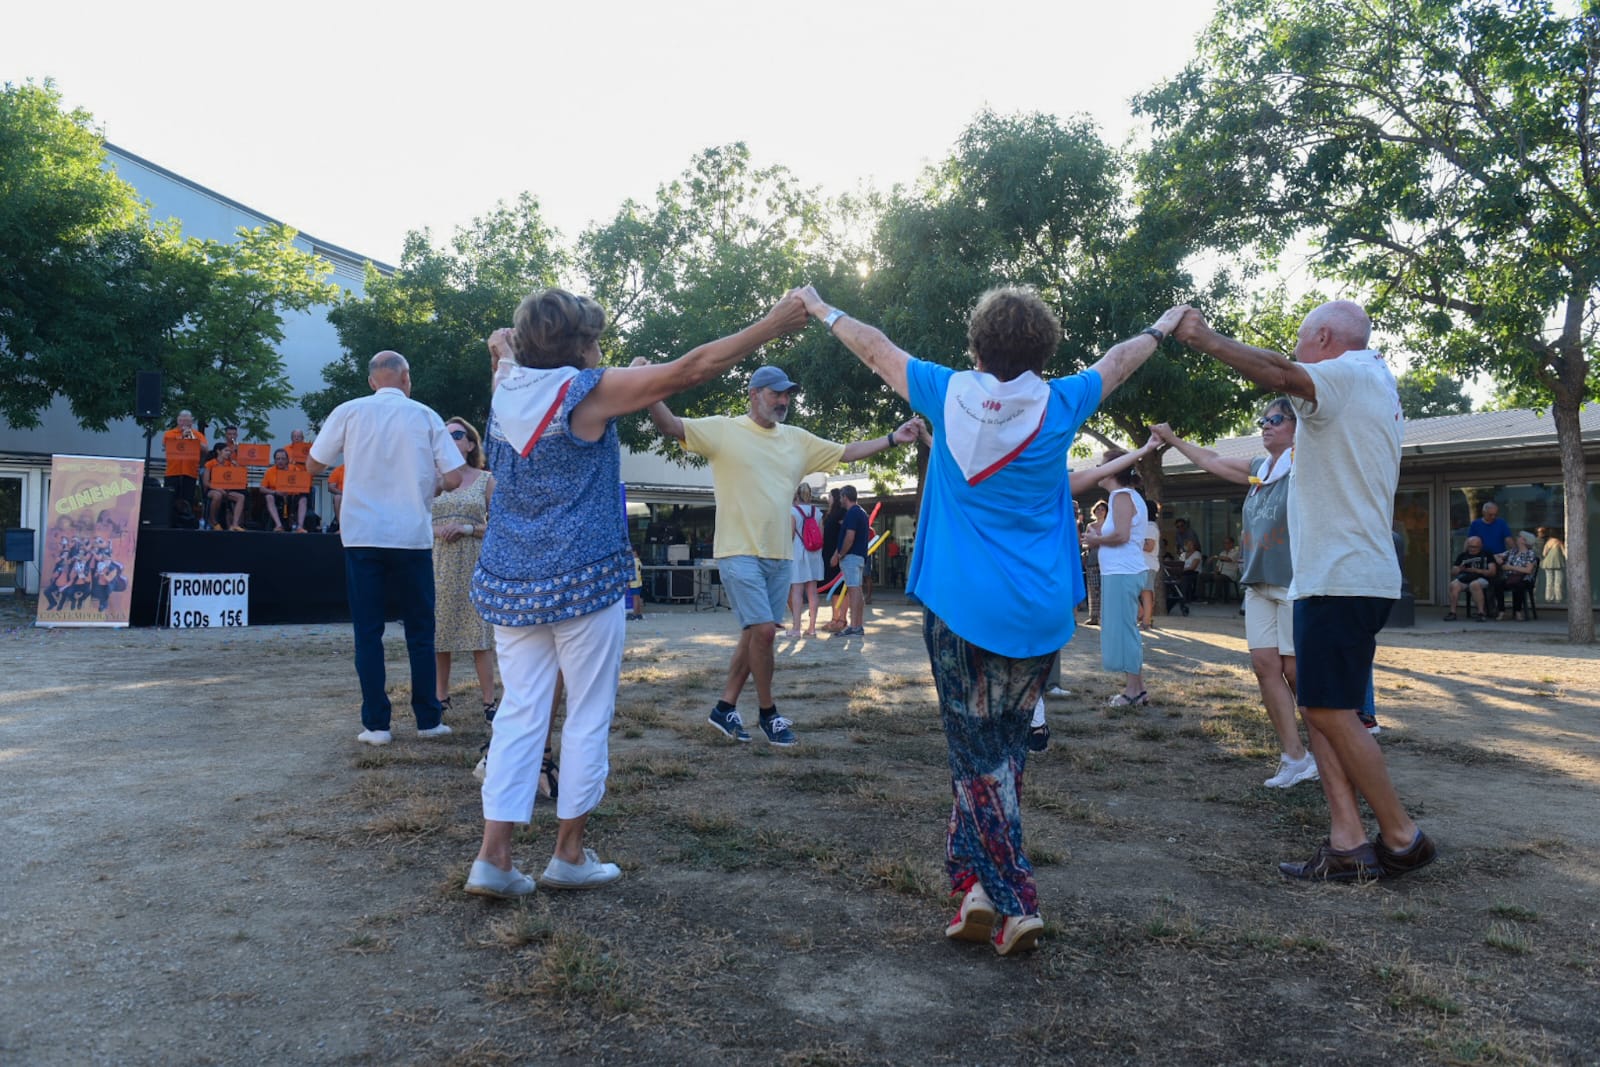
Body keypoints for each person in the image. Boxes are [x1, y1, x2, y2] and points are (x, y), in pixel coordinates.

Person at [796, 281, 1187, 955]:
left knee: (976, 755)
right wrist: (1162, 325)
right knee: (1001, 752)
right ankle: (972, 885)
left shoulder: (945, 392)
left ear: (976, 345)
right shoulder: (1062, 399)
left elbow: (874, 347)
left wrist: (820, 307)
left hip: (961, 606)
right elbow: (1120, 360)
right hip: (1039, 607)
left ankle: (1014, 898)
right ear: (1044, 350)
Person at [460, 287, 808, 900]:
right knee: (587, 712)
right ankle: (569, 854)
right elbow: (692, 369)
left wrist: (504, 349)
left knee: (520, 713)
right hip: (583, 578)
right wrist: (771, 324)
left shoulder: (506, 385)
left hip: (512, 579)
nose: (601, 351)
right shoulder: (585, 392)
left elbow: (506, 354)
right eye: (594, 341)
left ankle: (493, 858)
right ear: (578, 348)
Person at [1175, 299, 1436, 882]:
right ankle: (1348, 841)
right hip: (1340, 574)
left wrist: (1205, 339)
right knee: (1322, 706)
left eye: (1298, 339)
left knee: (1330, 709)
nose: (1294, 352)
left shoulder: (1346, 374)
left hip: (1342, 575)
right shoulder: (1372, 381)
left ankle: (1403, 837)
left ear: (1322, 337)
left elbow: (1280, 373)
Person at [643, 367, 922, 748]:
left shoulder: (797, 440)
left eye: (788, 394)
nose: (783, 400)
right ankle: (768, 712)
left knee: (754, 634)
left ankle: (725, 707)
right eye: (776, 393)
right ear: (754, 394)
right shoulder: (724, 430)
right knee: (763, 632)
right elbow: (671, 426)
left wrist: (892, 438)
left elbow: (846, 452)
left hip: (780, 556)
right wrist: (647, 386)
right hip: (738, 551)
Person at [1154, 401, 1319, 789]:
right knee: (1264, 666)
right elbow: (1211, 459)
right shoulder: (1260, 469)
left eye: (1275, 419)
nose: (1265, 426)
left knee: (1296, 671)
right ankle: (1295, 757)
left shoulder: (1309, 464)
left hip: (1295, 582)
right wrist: (1173, 439)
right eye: (1263, 420)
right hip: (1258, 582)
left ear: (1298, 425)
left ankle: (1329, 752)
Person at [307, 351, 466, 746]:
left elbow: (313, 465)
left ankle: (377, 726)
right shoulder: (425, 415)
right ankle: (428, 720)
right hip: (410, 535)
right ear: (406, 379)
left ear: (372, 381)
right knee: (421, 630)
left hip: (362, 535)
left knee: (368, 631)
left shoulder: (349, 411)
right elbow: (454, 476)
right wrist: (433, 484)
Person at [433, 417, 497, 720]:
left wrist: (467, 529)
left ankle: (489, 702)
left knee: (479, 635)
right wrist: (438, 530)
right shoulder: (431, 479)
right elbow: (414, 518)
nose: (451, 440)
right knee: (438, 632)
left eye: (457, 435)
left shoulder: (486, 480)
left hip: (474, 563)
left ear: (471, 444)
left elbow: (500, 525)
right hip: (437, 563)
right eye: (446, 435)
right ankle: (440, 698)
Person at [1083, 453, 1153, 706]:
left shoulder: (1121, 496)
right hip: (1121, 571)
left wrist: (1096, 540)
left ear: (1113, 470)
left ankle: (1132, 691)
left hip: (1122, 572)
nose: (1098, 468)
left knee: (1125, 631)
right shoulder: (1125, 496)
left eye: (1102, 464)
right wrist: (1098, 536)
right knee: (1124, 629)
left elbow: (1122, 535)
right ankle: (1138, 689)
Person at [831, 485, 872, 637]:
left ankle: (855, 626)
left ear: (845, 497)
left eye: (841, 497)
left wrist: (840, 554)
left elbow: (849, 537)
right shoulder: (861, 512)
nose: (840, 500)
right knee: (857, 591)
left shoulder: (852, 513)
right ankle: (857, 625)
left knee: (853, 591)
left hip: (851, 557)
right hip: (859, 557)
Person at [787, 483, 824, 637]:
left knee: (797, 591)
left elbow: (790, 536)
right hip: (814, 555)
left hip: (798, 554)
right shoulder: (818, 512)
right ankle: (812, 628)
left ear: (797, 495)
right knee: (812, 592)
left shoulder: (793, 512)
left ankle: (796, 628)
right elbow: (821, 536)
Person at [161, 410, 207, 518]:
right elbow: (166, 446)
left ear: (191, 422)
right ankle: (170, 521)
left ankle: (186, 522)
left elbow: (205, 449)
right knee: (171, 499)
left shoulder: (197, 435)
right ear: (178, 421)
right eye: (182, 420)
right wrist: (182, 437)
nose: (184, 423)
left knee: (188, 499)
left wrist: (193, 438)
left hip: (190, 472)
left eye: (187, 421)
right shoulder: (169, 434)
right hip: (172, 472)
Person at [1445, 536, 1497, 622]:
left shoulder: (1487, 555)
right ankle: (1452, 613)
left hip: (1482, 578)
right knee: (1453, 585)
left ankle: (1481, 613)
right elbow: (1453, 572)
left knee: (1474, 585)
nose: (1472, 549)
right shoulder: (1462, 555)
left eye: (1475, 547)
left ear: (1481, 546)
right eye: (1470, 546)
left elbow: (1492, 572)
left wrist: (1477, 570)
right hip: (1465, 578)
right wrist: (1459, 569)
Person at [261, 448, 310, 532]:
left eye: (283, 459)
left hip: (292, 496)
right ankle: (279, 525)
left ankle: (300, 527)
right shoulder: (269, 471)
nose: (280, 461)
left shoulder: (294, 469)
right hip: (277, 496)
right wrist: (275, 492)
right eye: (278, 459)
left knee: (303, 499)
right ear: (275, 461)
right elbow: (262, 488)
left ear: (287, 460)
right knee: (269, 497)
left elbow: (303, 485)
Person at [202, 443, 248, 531]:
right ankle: (213, 521)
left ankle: (235, 524)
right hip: (212, 490)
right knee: (217, 495)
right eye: (226, 451)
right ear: (218, 451)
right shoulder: (210, 464)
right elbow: (206, 482)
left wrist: (236, 468)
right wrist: (218, 489)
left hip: (226, 490)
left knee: (241, 497)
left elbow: (236, 480)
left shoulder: (229, 464)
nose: (228, 453)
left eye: (229, 451)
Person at [821, 488, 846, 630]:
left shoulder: (841, 513)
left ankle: (841, 619)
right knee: (833, 589)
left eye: (830, 496)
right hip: (827, 554)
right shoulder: (830, 514)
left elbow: (843, 535)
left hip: (836, 555)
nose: (828, 499)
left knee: (840, 589)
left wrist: (837, 554)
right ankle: (835, 618)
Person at [1498, 532, 1538, 621]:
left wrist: (1510, 567)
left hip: (1524, 578)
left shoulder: (1530, 553)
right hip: (1510, 577)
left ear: (1524, 540)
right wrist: (1499, 559)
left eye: (1519, 536)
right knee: (1498, 584)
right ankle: (1501, 611)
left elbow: (1528, 570)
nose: (1517, 538)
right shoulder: (1512, 551)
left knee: (1519, 586)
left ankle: (1518, 611)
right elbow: (1497, 556)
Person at [1082, 500, 1108, 625]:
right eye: (1098, 509)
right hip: (1092, 558)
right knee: (1093, 588)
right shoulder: (1090, 526)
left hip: (1107, 560)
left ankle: (1105, 616)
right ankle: (1093, 616)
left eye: (1102, 509)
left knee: (1105, 588)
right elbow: (1086, 542)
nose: (1100, 511)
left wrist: (1097, 541)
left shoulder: (1109, 525)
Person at [325, 464, 345, 533]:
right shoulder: (339, 470)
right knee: (337, 498)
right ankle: (341, 527)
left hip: (356, 496)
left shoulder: (358, 471)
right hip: (343, 496)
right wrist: (344, 494)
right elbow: (331, 487)